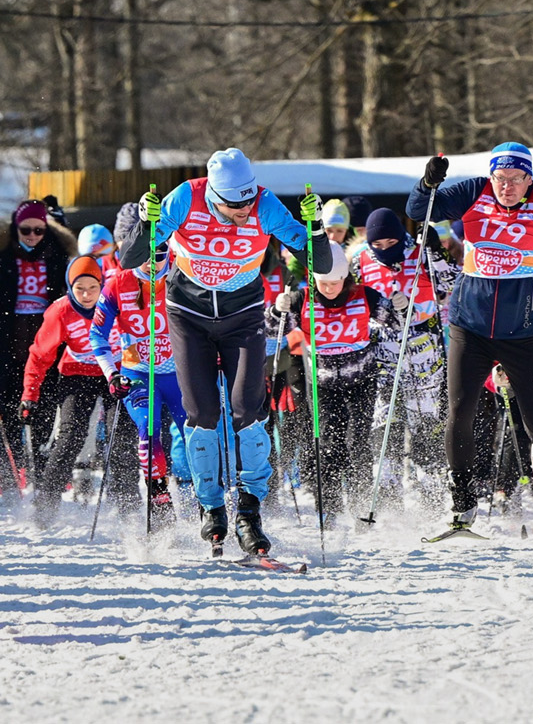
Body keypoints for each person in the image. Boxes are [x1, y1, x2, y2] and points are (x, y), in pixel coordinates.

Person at [118, 148, 330, 555]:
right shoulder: (184, 198)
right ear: (214, 196)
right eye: (235, 204)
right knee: (201, 414)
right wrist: (147, 224)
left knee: (247, 411)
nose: (244, 210)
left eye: (249, 199)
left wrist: (316, 227)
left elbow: (318, 263)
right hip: (189, 316)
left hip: (242, 317)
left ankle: (249, 513)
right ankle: (211, 506)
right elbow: (131, 260)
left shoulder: (265, 205)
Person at [405, 143, 533, 542]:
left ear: (529, 178)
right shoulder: (475, 191)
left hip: (522, 331)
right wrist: (427, 183)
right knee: (459, 412)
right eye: (500, 179)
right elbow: (420, 211)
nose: (506, 187)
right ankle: (462, 504)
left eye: (515, 180)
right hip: (469, 326)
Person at [273, 241, 400, 524]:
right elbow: (272, 331)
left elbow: (396, 322)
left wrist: (400, 306)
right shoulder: (302, 299)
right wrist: (277, 310)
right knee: (329, 444)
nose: (329, 288)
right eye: (323, 282)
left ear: (345, 278)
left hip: (362, 381)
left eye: (335, 282)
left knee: (358, 443)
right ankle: (328, 506)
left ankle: (361, 503)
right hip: (323, 386)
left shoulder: (365, 296)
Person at [353, 207, 457, 477]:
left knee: (425, 419)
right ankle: (387, 492)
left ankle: (430, 490)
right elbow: (350, 298)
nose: (384, 249)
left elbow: (455, 281)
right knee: (385, 421)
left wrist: (435, 248)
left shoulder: (420, 254)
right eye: (377, 244)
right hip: (381, 350)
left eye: (391, 243)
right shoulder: (360, 260)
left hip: (422, 346)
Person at [90, 242, 185, 529]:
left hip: (180, 374)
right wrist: (111, 374)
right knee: (148, 426)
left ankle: (207, 499)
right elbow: (98, 336)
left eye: (157, 255)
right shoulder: (118, 284)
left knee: (198, 432)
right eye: (143, 255)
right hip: (138, 374)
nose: (151, 262)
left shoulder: (182, 275)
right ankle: (158, 493)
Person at [19, 257, 109, 524]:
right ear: (70, 287)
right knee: (71, 436)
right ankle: (46, 505)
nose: (86, 295)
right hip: (76, 372)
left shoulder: (112, 303)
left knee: (124, 437)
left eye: (93, 287)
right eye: (79, 288)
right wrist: (29, 394)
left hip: (113, 372)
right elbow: (40, 354)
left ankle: (127, 505)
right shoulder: (60, 311)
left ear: (101, 285)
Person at [0, 200, 75, 475]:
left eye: (39, 230)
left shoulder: (57, 258)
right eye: (26, 229)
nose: (32, 235)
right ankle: (14, 469)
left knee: (43, 407)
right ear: (15, 229)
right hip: (12, 341)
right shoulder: (5, 258)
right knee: (10, 407)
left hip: (46, 341)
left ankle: (43, 467)